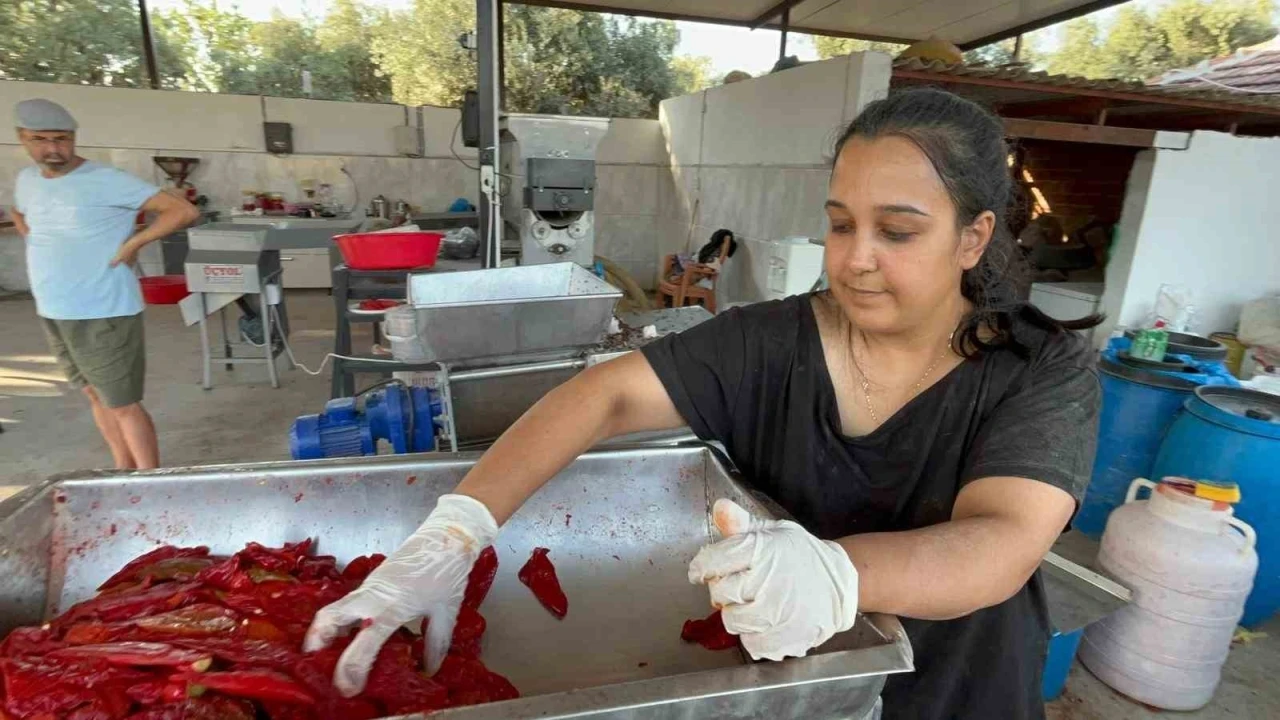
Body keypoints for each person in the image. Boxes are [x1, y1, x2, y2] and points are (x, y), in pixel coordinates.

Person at [305, 88, 1102, 720]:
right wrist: (458, 527)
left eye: (897, 232)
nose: (857, 259)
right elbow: (604, 395)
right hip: (797, 694)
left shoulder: (1040, 370)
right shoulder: (771, 343)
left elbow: (1001, 542)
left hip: (957, 695)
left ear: (972, 238)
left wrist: (835, 572)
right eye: (840, 225)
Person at [10, 99, 200, 470]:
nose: (53, 148)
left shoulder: (106, 180)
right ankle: (122, 472)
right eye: (41, 139)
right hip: (54, 308)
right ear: (23, 138)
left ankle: (150, 483)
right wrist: (36, 241)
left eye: (62, 139)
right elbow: (22, 214)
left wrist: (133, 244)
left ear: (73, 137)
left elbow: (183, 210)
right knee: (94, 394)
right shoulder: (27, 180)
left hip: (103, 308)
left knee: (123, 404)